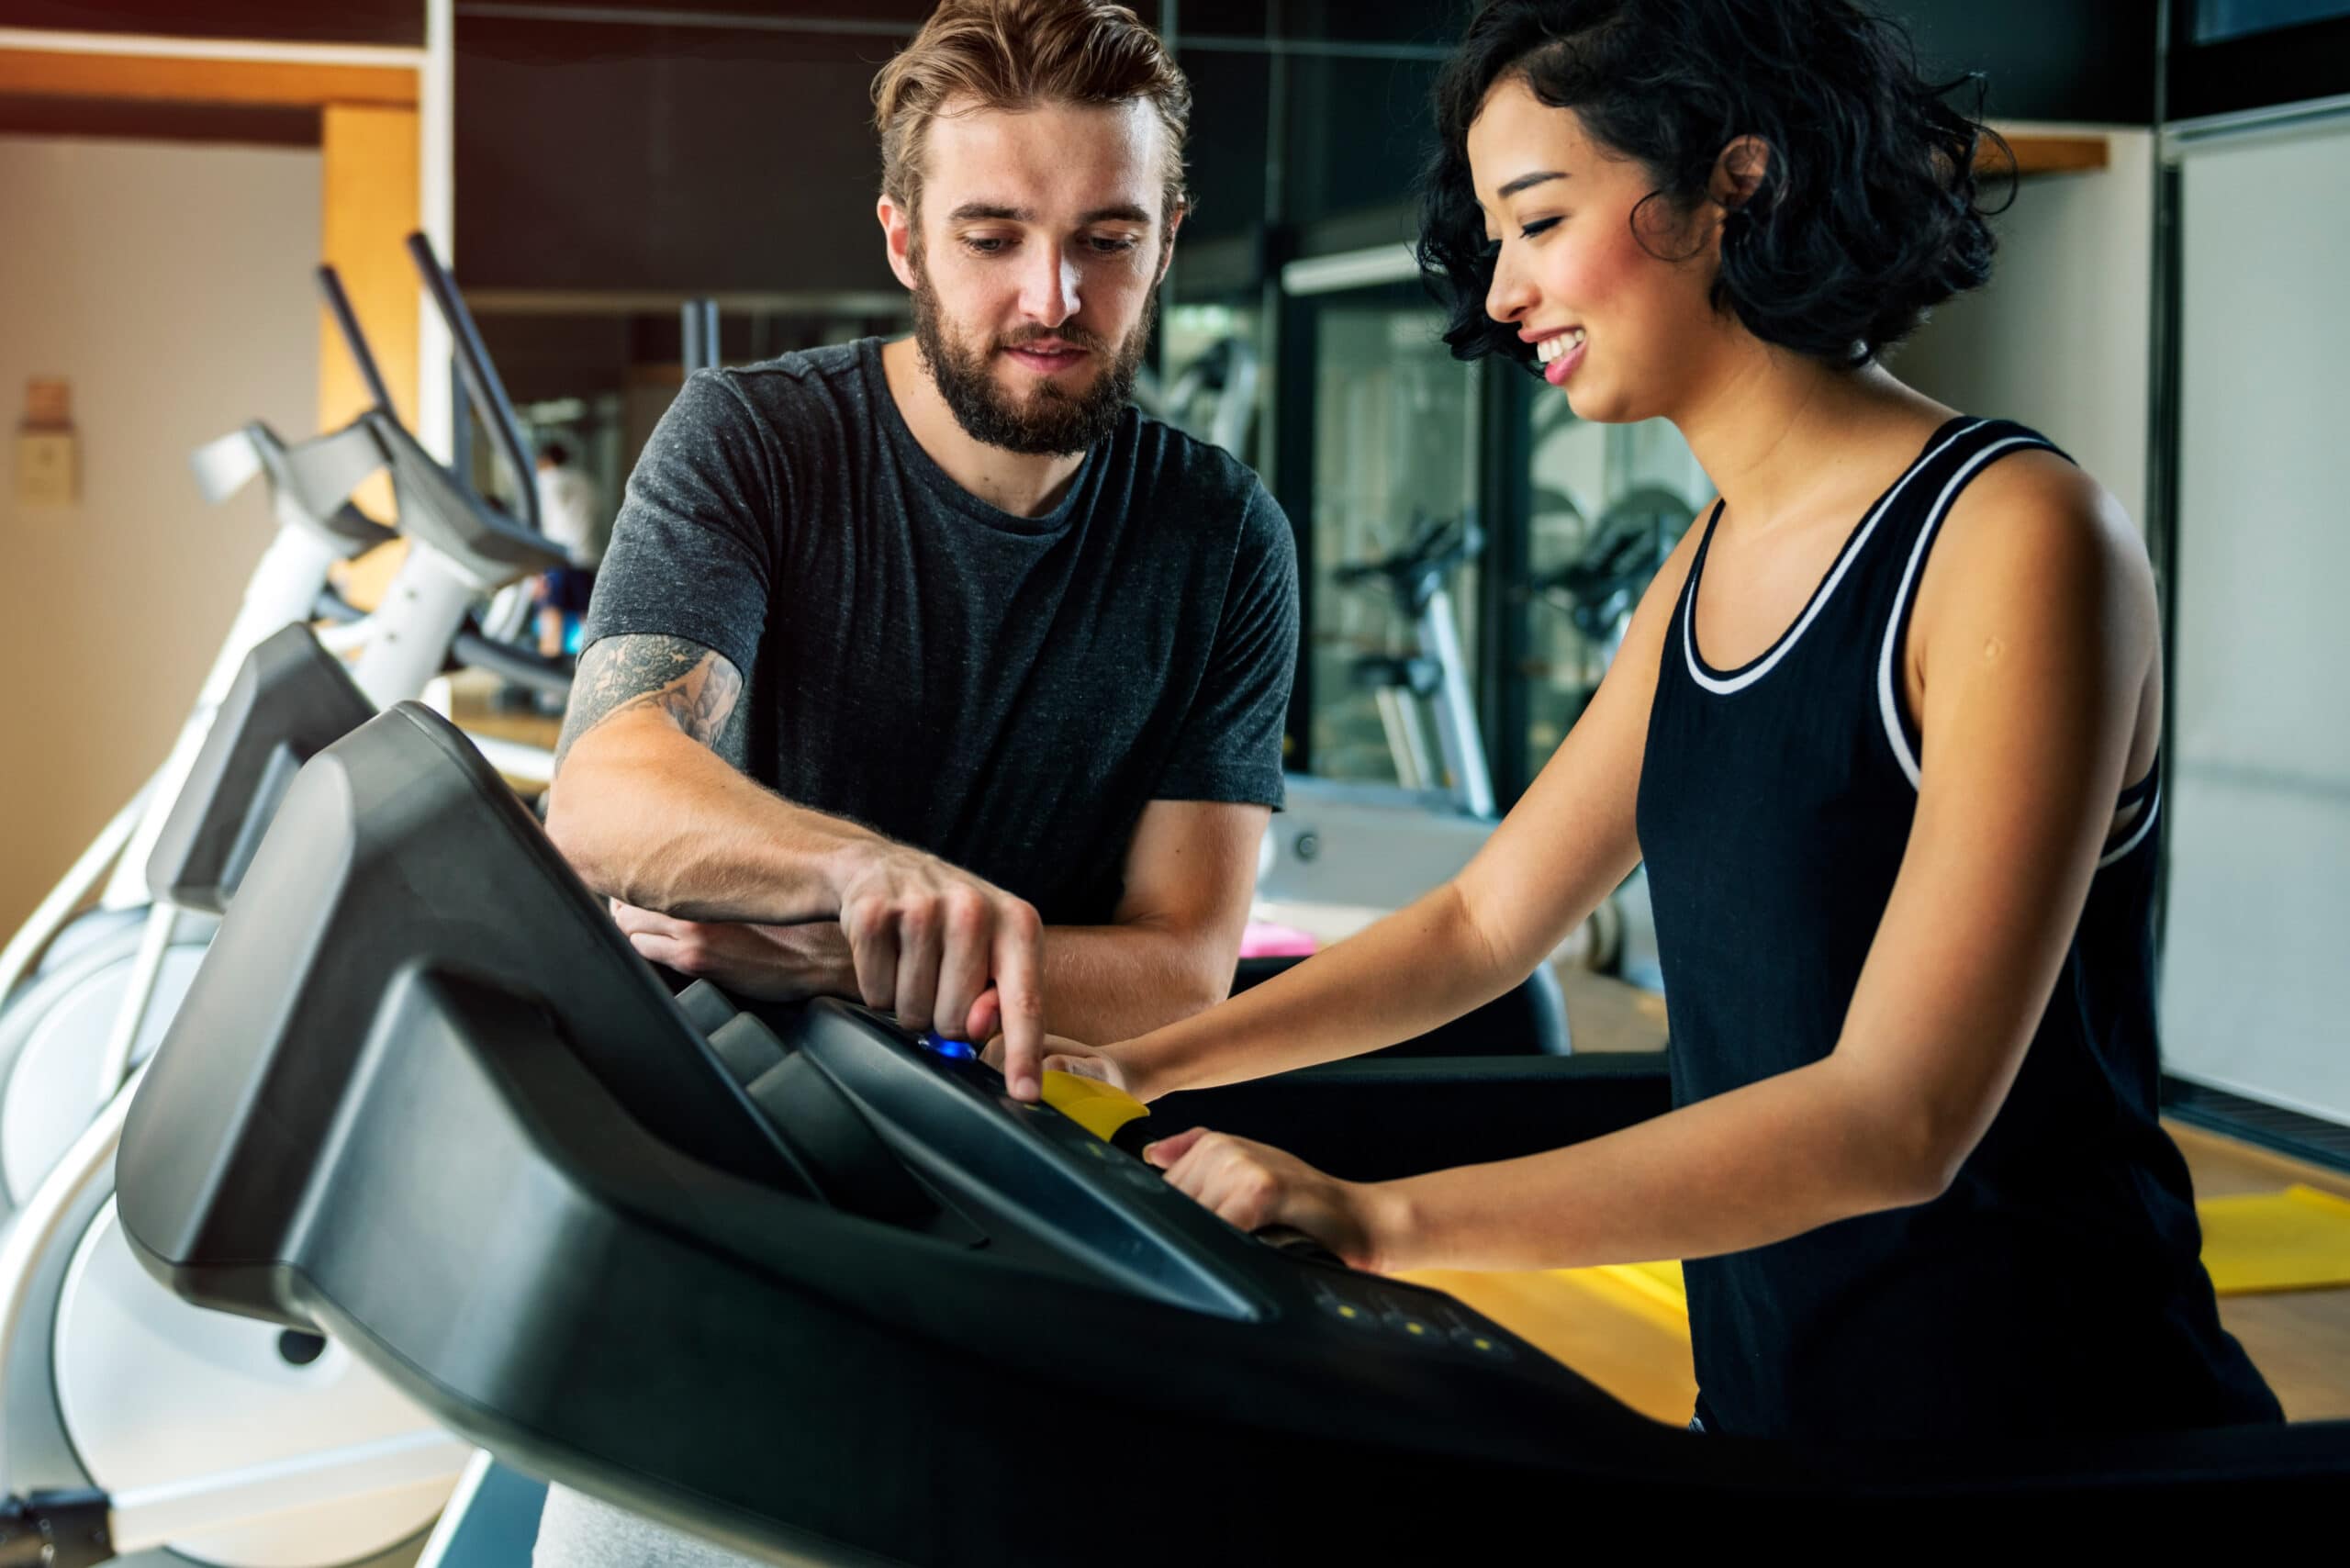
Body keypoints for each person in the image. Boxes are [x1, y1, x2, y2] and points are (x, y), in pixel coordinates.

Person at [1054, 0, 2283, 1444]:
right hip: (1781, 1422)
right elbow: (1481, 930)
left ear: (1730, 187)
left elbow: (1899, 1116)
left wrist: (1379, 1221)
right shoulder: (1702, 566)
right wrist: (1138, 1067)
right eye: (1497, 238)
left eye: (1539, 217)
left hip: (2055, 1434)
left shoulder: (2015, 537)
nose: (1503, 292)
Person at [534, 2, 1296, 1560]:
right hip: (731, 1188)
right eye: (994, 233)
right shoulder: (749, 443)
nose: (1053, 294)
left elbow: (1179, 962)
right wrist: (874, 879)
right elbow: (610, 786)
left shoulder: (1221, 538)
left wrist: (851, 964)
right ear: (901, 238)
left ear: (1167, 241)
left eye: (1109, 237)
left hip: (1032, 1222)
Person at [531, 436, 604, 663]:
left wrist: (535, 571)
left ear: (544, 460)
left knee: (552, 615)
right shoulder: (586, 483)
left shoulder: (546, 480)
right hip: (588, 556)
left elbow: (538, 523)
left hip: (558, 558)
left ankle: (547, 679)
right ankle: (592, 670)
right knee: (587, 621)